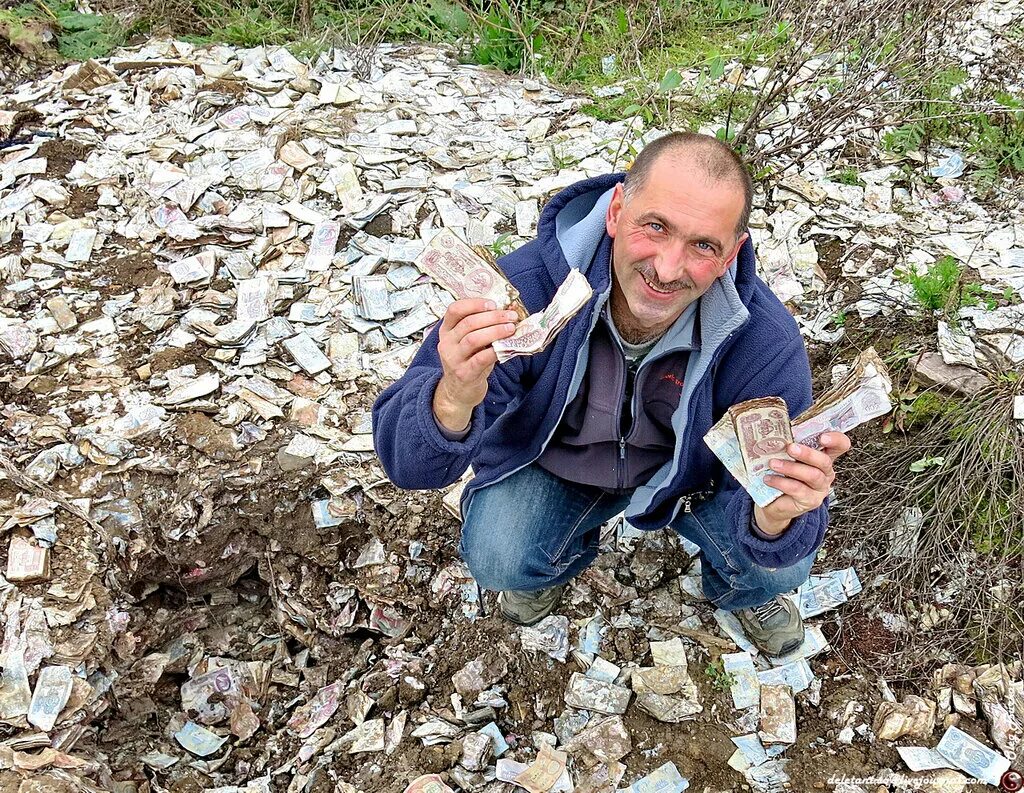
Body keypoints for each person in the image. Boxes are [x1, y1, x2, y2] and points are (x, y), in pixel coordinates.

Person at [372, 132, 851, 657]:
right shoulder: (524, 291)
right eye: (655, 227)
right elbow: (408, 467)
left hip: (692, 484)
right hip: (556, 468)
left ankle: (740, 588)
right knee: (500, 555)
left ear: (732, 252)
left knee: (783, 559)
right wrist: (453, 398)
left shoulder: (763, 340)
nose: (667, 270)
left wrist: (774, 516)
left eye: (703, 246)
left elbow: (774, 485)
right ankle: (556, 557)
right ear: (616, 211)